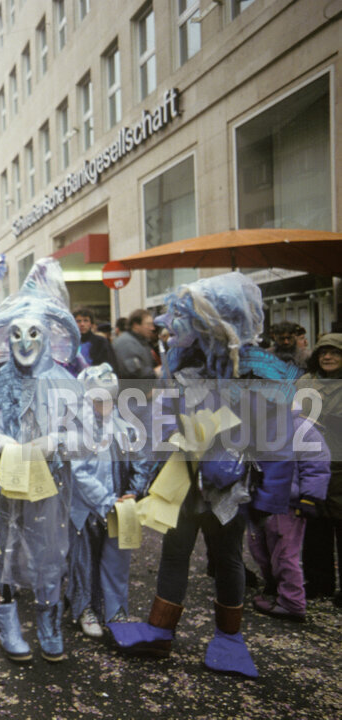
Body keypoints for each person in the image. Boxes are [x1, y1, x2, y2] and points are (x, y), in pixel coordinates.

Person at [109, 272, 299, 678]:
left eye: (186, 319)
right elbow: (159, 428)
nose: (173, 328)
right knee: (175, 552)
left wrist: (270, 497)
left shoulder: (256, 371)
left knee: (227, 557)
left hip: (229, 487)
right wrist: (141, 484)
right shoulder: (184, 365)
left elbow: (278, 437)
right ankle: (160, 630)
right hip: (185, 482)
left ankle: (229, 637)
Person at [0, 258, 84, 663]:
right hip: (4, 487)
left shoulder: (64, 381)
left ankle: (47, 621)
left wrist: (55, 441)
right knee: (3, 551)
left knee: (48, 554)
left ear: (46, 337)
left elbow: (87, 436)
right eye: (17, 334)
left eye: (33, 333)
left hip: (48, 488)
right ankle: (7, 622)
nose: (24, 342)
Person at [67, 364, 154, 637]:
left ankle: (115, 609)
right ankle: (85, 607)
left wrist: (135, 490)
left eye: (109, 398)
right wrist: (105, 501)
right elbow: (78, 471)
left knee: (117, 558)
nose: (103, 404)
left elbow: (142, 460)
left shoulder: (125, 426)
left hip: (119, 506)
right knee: (84, 559)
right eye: (97, 399)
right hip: (86, 507)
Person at [248, 412, 330, 621]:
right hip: (261, 500)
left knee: (284, 553)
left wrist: (310, 497)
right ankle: (276, 586)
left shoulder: (300, 426)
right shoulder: (256, 422)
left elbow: (317, 461)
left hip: (287, 503)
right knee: (259, 547)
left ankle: (292, 602)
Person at [298, 333, 342, 605]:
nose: (328, 357)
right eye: (324, 352)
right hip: (311, 464)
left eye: (335, 352)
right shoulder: (305, 382)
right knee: (314, 528)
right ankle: (318, 582)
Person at [111, 309, 158, 380]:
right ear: (136, 325)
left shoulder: (141, 341)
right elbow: (133, 373)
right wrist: (155, 372)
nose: (152, 328)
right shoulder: (126, 343)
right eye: (148, 324)